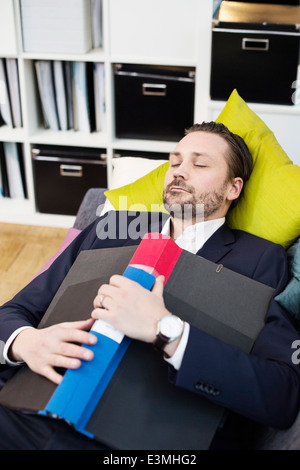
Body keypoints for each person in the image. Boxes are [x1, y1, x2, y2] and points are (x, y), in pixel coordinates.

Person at [0, 121, 299, 450]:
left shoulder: (261, 259)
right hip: (26, 409)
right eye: (174, 162)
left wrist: (168, 330)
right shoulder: (111, 227)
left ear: (233, 188)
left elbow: (281, 392)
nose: (179, 171)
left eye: (199, 164)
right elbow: (15, 310)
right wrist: (24, 342)